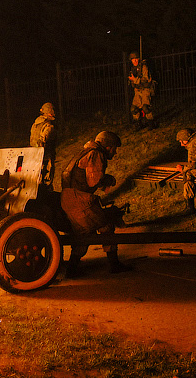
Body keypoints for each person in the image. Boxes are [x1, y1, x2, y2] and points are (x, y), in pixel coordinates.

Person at [60, 130, 128, 276]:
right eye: (114, 148)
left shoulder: (85, 152)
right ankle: (115, 265)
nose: (115, 152)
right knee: (106, 226)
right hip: (80, 199)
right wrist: (108, 180)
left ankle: (71, 269)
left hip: (67, 198)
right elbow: (94, 180)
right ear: (108, 146)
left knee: (84, 233)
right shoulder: (96, 154)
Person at [29, 102, 58, 187]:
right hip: (46, 156)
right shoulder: (48, 126)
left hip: (34, 155)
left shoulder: (35, 124)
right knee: (46, 181)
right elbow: (43, 142)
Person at [127, 51, 156, 128]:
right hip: (137, 90)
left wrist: (135, 79)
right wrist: (132, 80)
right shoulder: (133, 69)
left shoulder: (144, 67)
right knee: (133, 109)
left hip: (145, 89)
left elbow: (146, 79)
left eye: (136, 58)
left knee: (146, 108)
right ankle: (138, 123)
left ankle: (151, 123)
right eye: (133, 59)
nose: (135, 61)